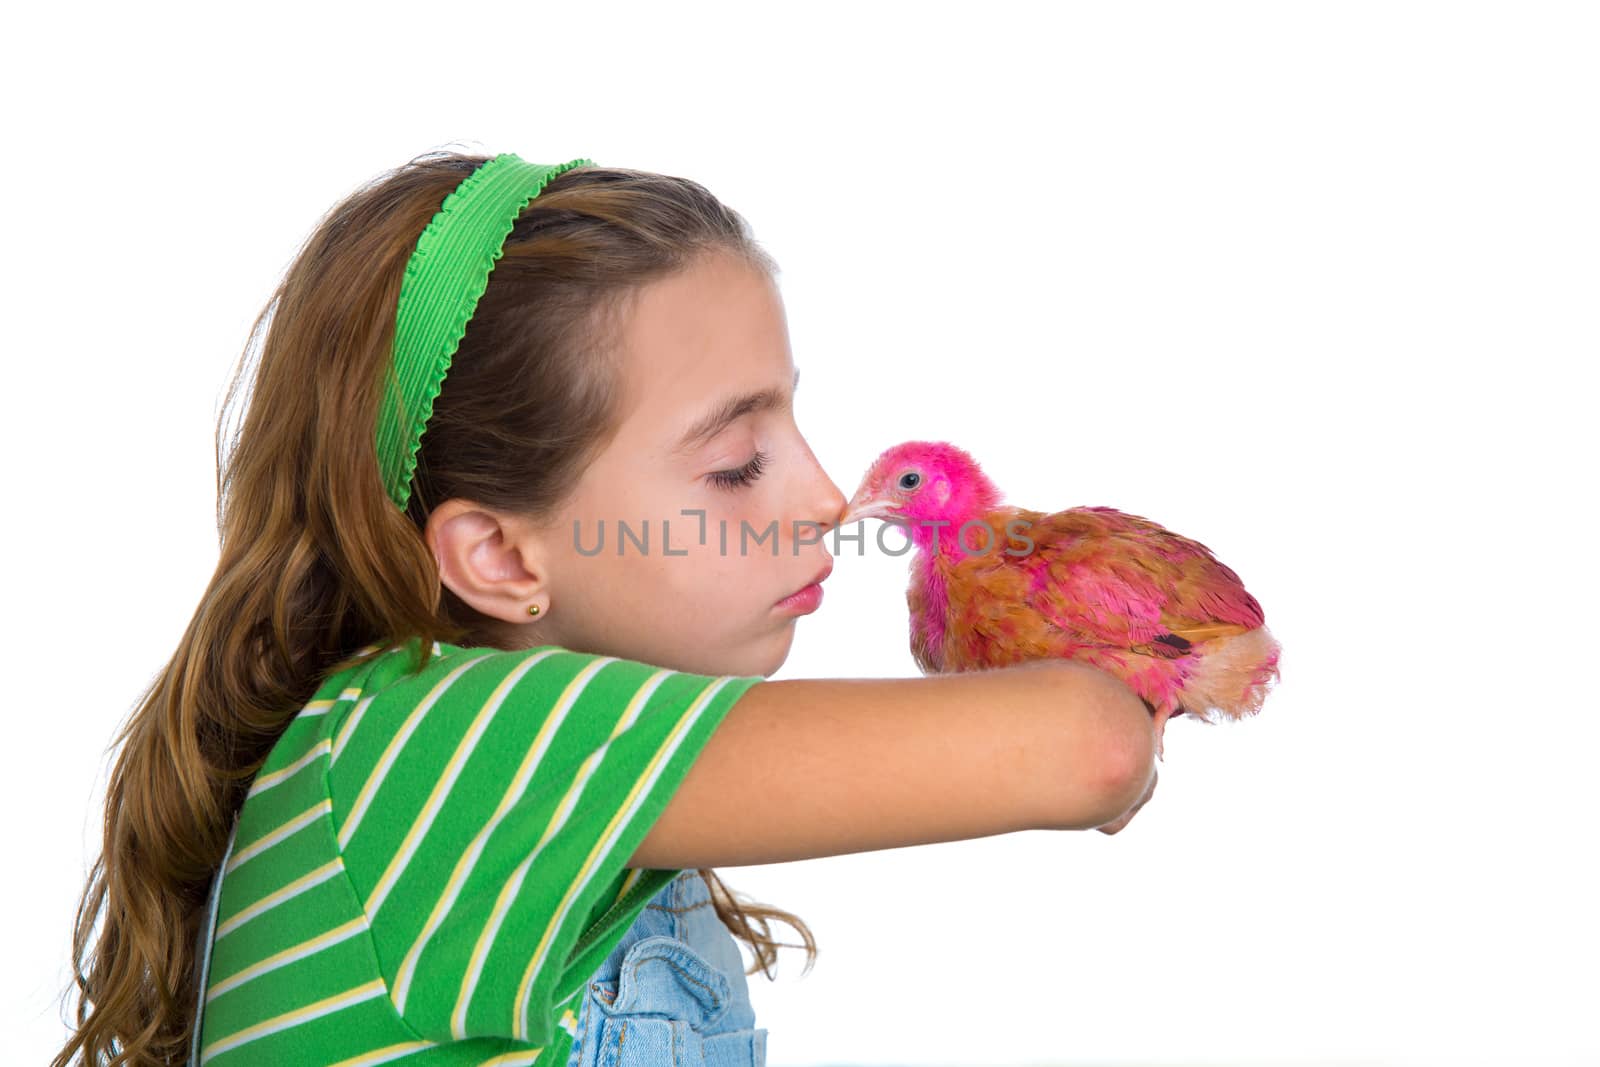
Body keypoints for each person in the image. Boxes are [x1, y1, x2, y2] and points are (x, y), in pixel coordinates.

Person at [53, 150, 1168, 1067]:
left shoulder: (499, 780)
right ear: (495, 552)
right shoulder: (438, 738)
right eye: (737, 462)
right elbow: (1086, 746)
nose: (828, 499)